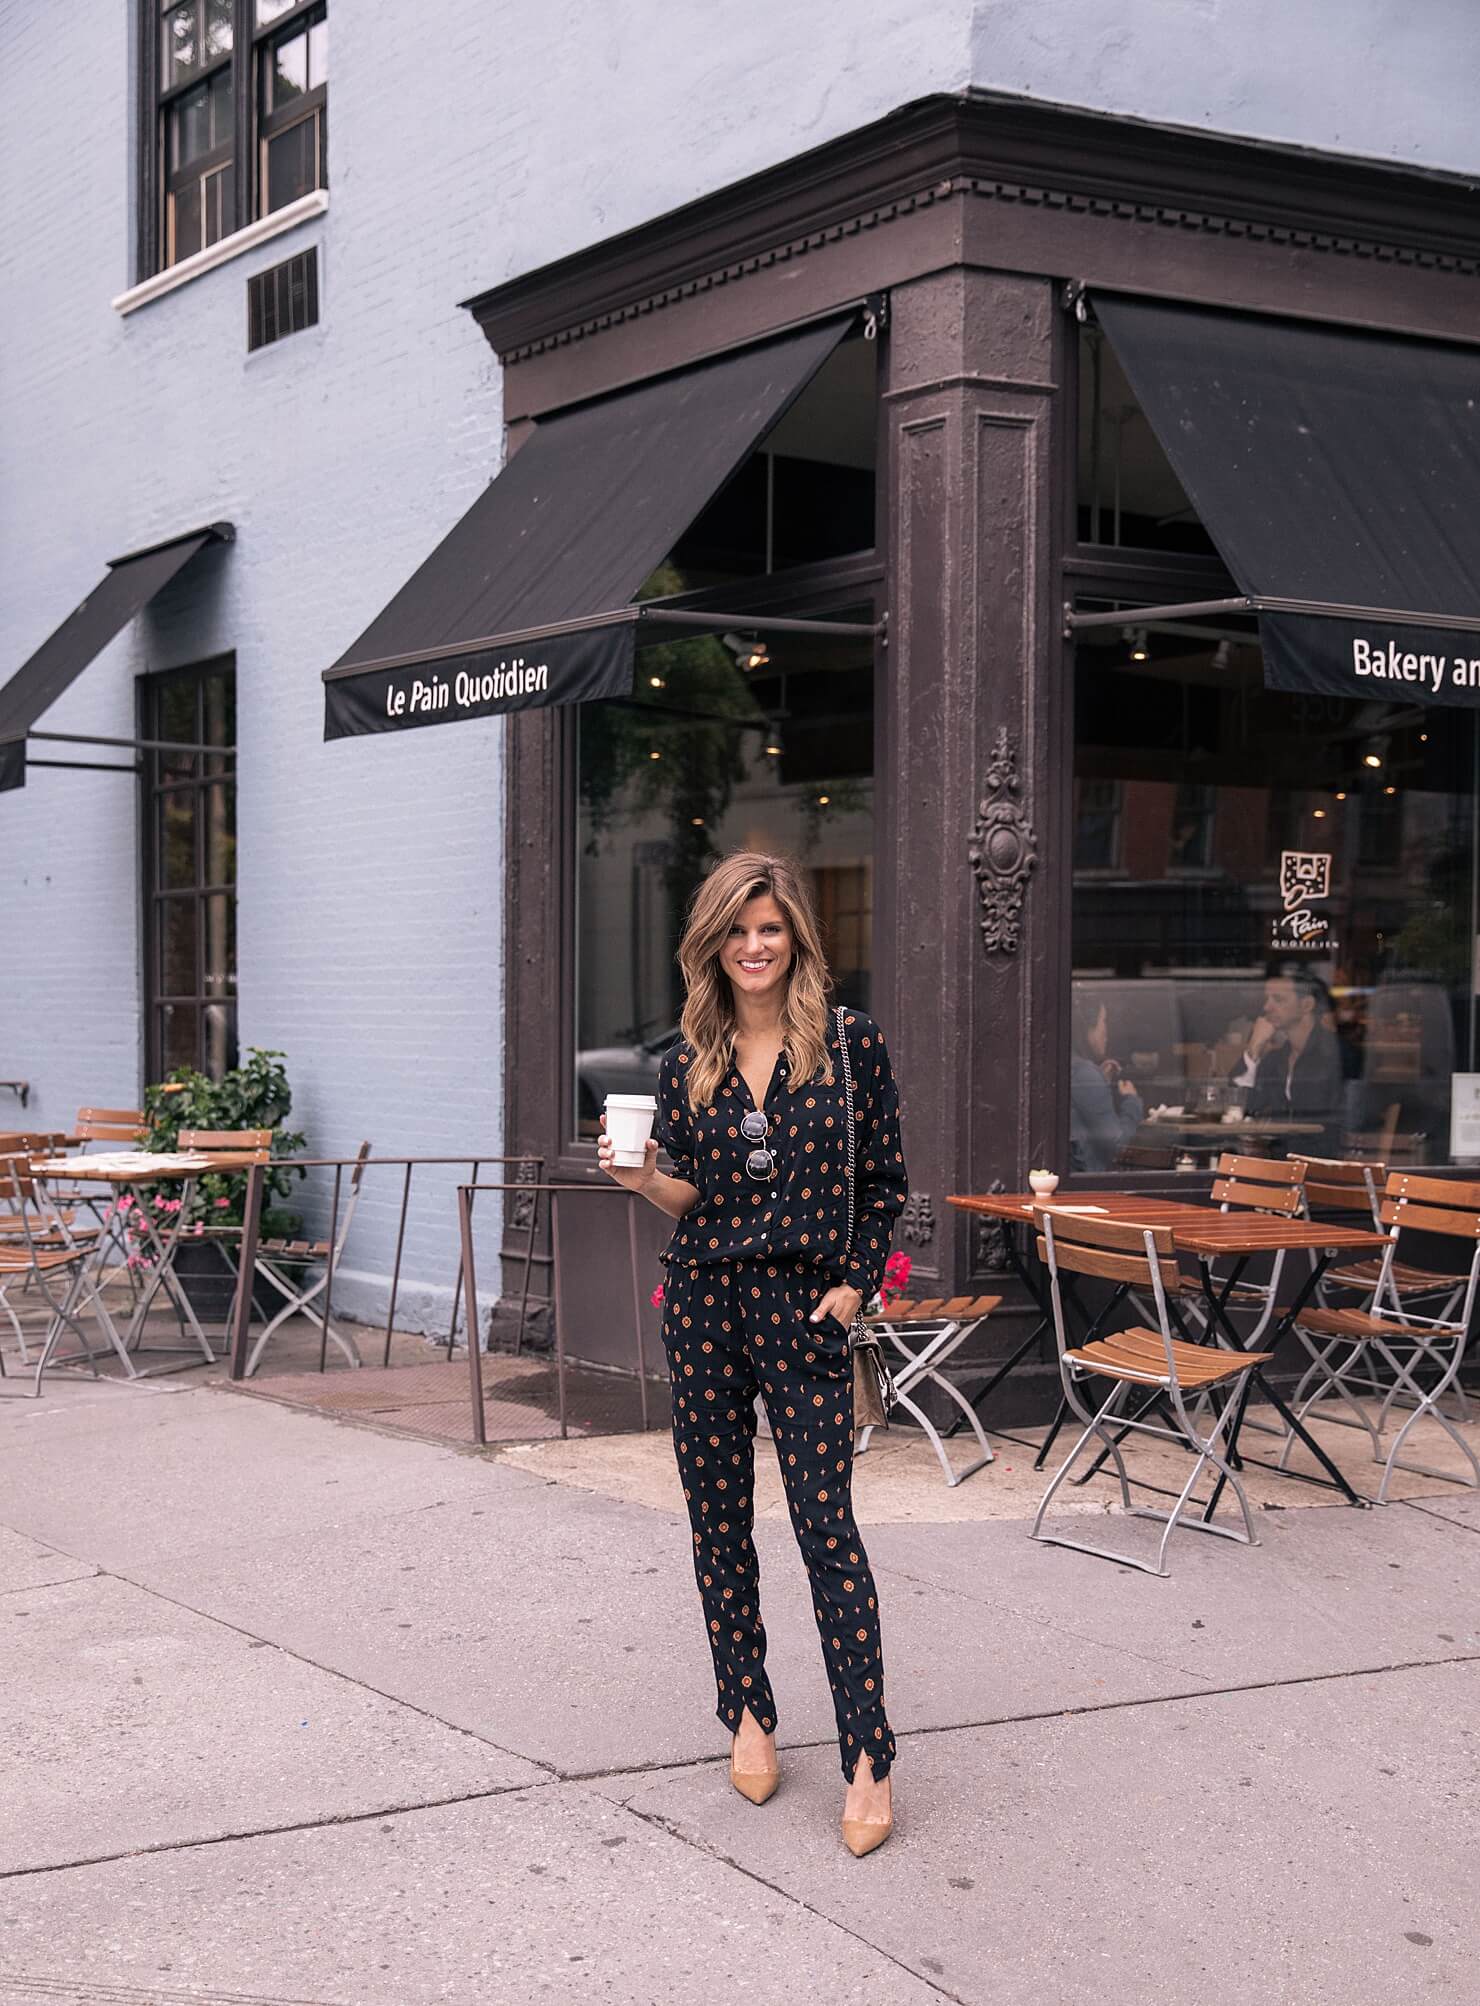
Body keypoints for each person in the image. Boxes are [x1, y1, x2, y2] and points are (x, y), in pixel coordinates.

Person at [598, 850, 907, 1858]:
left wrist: (854, 1280)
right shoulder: (690, 1052)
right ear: (712, 944)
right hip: (704, 1304)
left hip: (804, 1309)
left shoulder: (852, 1044)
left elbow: (885, 1179)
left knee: (828, 1531)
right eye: (736, 929)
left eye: (769, 925)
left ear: (795, 935)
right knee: (717, 1520)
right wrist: (640, 1178)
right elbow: (694, 1199)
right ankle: (747, 1708)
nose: (754, 944)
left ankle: (866, 1754)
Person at [1229, 963, 1343, 1156]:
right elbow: (1240, 1108)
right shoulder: (1277, 1058)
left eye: (1278, 999)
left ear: (1306, 1005)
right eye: (1267, 999)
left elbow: (1330, 1125)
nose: (1266, 1007)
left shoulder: (1333, 1053)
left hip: (1321, 1164)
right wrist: (1253, 1050)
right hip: (1280, 1163)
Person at [1069, 995, 1145, 1173]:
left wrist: (1098, 1080)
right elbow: (1118, 1144)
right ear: (1088, 1028)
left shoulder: (1074, 1068)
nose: (1106, 1032)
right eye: (1104, 1021)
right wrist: (1131, 1101)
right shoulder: (1083, 1073)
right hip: (1087, 1186)